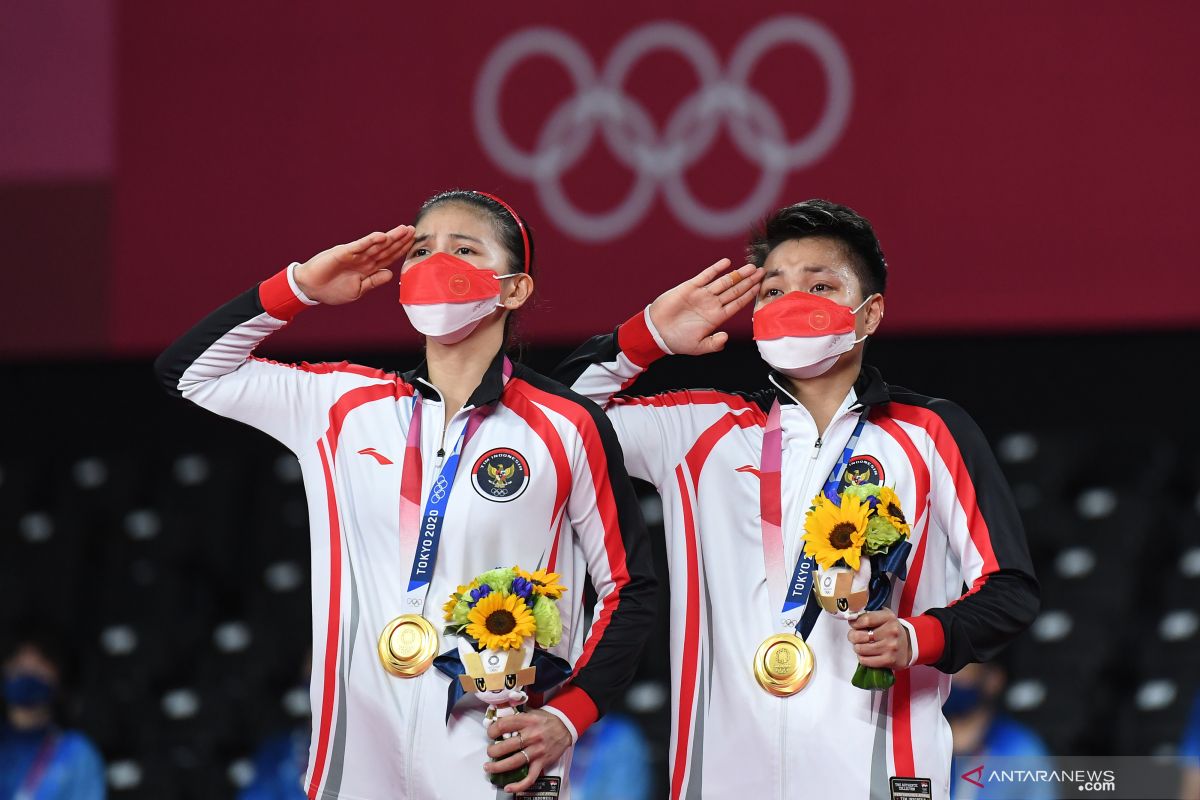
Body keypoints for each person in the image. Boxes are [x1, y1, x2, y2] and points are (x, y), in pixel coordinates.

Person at [155, 189, 656, 799]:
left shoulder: (566, 424)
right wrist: (301, 288)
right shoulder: (341, 406)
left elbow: (630, 587)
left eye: (463, 248)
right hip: (356, 755)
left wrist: (566, 715)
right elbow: (190, 371)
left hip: (498, 752)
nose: (434, 261)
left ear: (514, 288)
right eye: (420, 249)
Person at [554, 199, 1040, 799]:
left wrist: (917, 638)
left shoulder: (928, 432)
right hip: (721, 778)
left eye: (821, 284)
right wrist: (647, 336)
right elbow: (550, 424)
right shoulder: (699, 431)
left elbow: (1009, 588)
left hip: (879, 774)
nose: (793, 302)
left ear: (870, 314)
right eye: (773, 289)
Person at [0, 634, 106, 800]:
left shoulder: (75, 752)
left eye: (38, 669)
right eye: (19, 666)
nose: (28, 674)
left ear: (58, 677)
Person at [945, 662, 1052, 799]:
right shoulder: (922, 742)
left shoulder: (1021, 753)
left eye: (963, 668)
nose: (952, 677)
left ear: (993, 679)